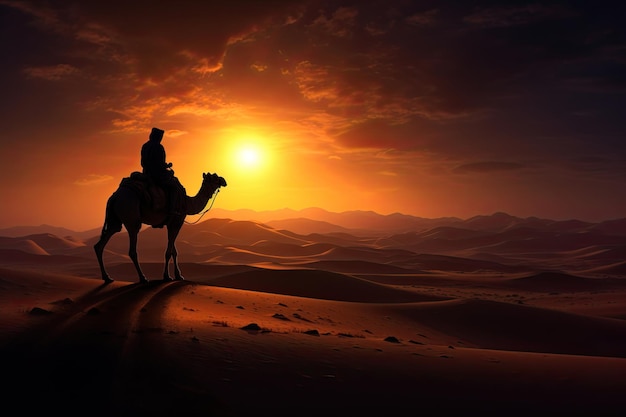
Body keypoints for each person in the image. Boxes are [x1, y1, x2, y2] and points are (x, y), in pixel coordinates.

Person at [141, 127, 181, 218]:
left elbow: (143, 163)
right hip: (157, 175)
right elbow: (159, 164)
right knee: (174, 188)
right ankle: (171, 210)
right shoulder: (159, 147)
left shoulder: (145, 146)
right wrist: (167, 167)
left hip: (146, 173)